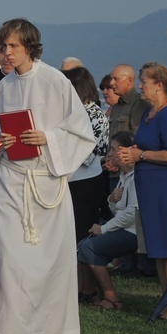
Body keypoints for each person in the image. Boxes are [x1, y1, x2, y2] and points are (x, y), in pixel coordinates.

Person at [0, 18, 95, 334]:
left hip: (45, 181)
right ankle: (12, 331)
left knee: (49, 261)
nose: (6, 53)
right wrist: (2, 140)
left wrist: (47, 137)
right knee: (10, 258)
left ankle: (52, 330)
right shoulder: (2, 87)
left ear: (30, 46)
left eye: (13, 47)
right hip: (10, 182)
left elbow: (82, 133)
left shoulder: (55, 81)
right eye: (3, 47)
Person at [117, 62, 167, 320]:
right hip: (150, 190)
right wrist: (131, 154)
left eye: (144, 82)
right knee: (158, 249)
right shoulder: (150, 113)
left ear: (159, 85)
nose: (140, 86)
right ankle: (166, 304)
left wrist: (142, 154)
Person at [77, 131, 138, 310]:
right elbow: (119, 212)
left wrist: (104, 229)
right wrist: (112, 200)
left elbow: (132, 213)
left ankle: (111, 297)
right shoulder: (123, 178)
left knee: (90, 247)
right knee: (83, 244)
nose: (110, 154)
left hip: (134, 232)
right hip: (124, 228)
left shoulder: (137, 177)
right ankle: (91, 292)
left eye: (114, 149)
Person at [62, 67, 109, 246]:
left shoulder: (95, 115)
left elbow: (88, 154)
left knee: (81, 232)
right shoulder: (72, 113)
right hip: (70, 179)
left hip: (86, 180)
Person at [109, 64, 148, 136]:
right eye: (111, 79)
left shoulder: (139, 104)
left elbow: (137, 135)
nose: (111, 83)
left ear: (129, 81)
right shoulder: (115, 108)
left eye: (116, 79)